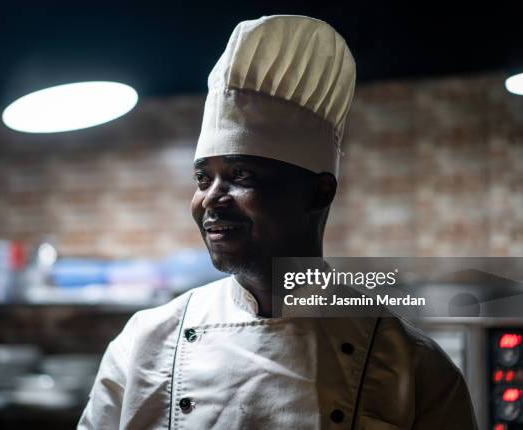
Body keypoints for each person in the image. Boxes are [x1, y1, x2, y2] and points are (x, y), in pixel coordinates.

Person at [78, 15, 478, 429]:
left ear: (319, 192)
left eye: (241, 176)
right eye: (202, 178)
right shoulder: (145, 343)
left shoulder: (412, 367)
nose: (211, 198)